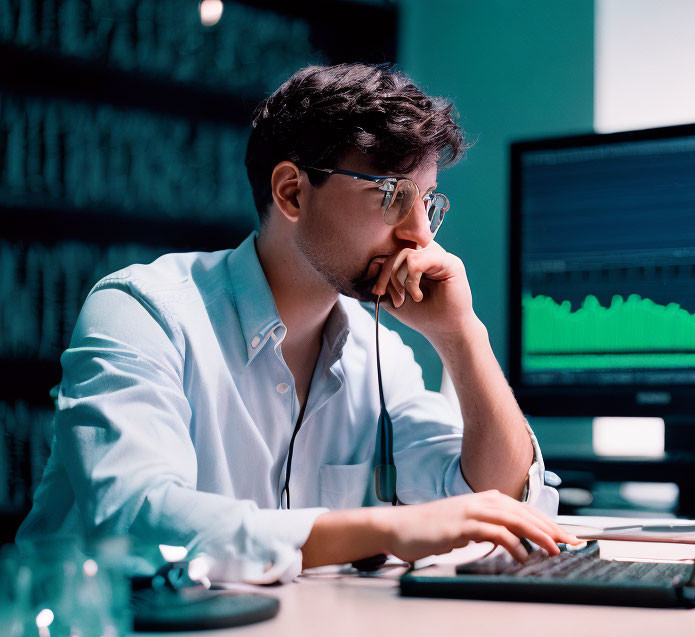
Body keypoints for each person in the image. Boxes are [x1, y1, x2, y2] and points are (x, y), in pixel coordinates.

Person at [17, 63, 576, 582]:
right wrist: (382, 530)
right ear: (292, 192)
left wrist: (461, 335)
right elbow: (135, 515)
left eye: (427, 203)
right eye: (389, 196)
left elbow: (497, 498)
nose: (421, 237)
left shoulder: (377, 351)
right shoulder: (143, 311)